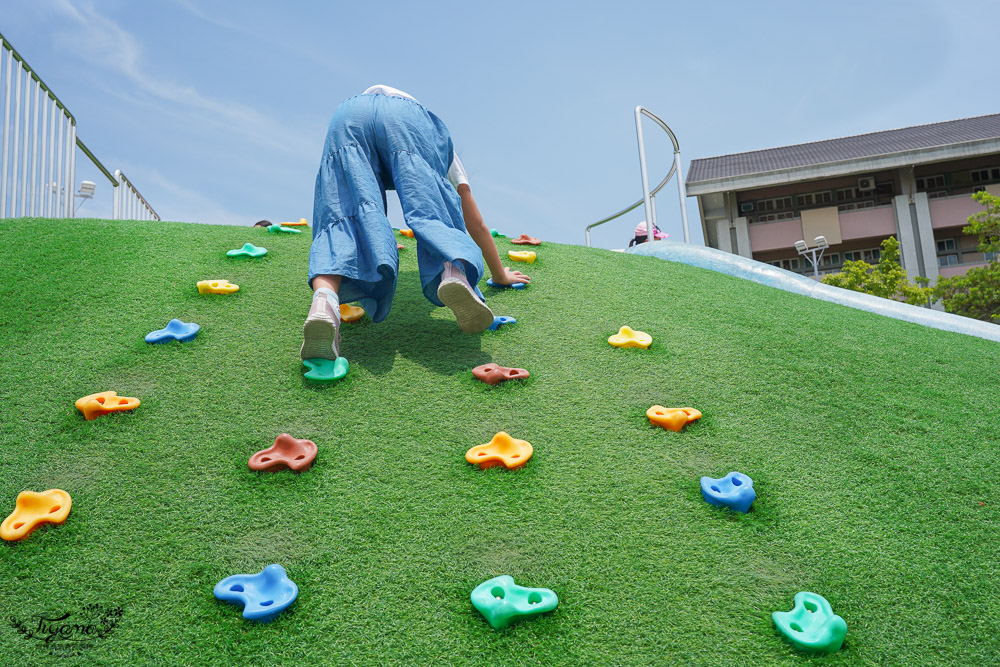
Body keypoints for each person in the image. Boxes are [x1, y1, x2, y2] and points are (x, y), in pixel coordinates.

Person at [302, 85, 529, 361]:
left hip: (349, 115)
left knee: (343, 213)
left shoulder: (365, 104)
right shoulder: (443, 147)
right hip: (406, 119)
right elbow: (474, 220)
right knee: (433, 206)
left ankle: (324, 302)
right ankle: (453, 274)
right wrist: (500, 275)